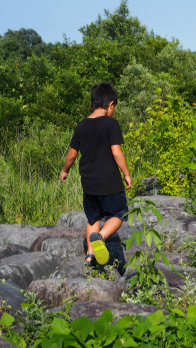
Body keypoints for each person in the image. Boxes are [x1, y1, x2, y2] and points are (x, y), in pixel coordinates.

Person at [59, 82, 132, 266]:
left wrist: (65, 170)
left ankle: (90, 256)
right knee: (119, 213)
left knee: (93, 218)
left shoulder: (82, 125)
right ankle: (101, 236)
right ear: (111, 104)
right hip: (109, 181)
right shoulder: (111, 124)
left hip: (89, 183)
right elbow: (116, 152)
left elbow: (72, 154)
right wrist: (126, 173)